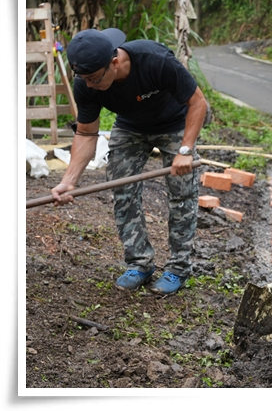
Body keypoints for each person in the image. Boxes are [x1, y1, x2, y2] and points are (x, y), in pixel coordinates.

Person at [51, 28, 207, 295]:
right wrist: (69, 181)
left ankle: (178, 268)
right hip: (130, 126)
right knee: (123, 190)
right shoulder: (86, 82)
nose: (88, 85)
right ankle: (140, 263)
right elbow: (87, 134)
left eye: (93, 79)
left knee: (181, 194)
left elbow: (198, 102)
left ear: (114, 63)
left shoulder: (155, 59)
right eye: (83, 78)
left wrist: (185, 149)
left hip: (175, 123)